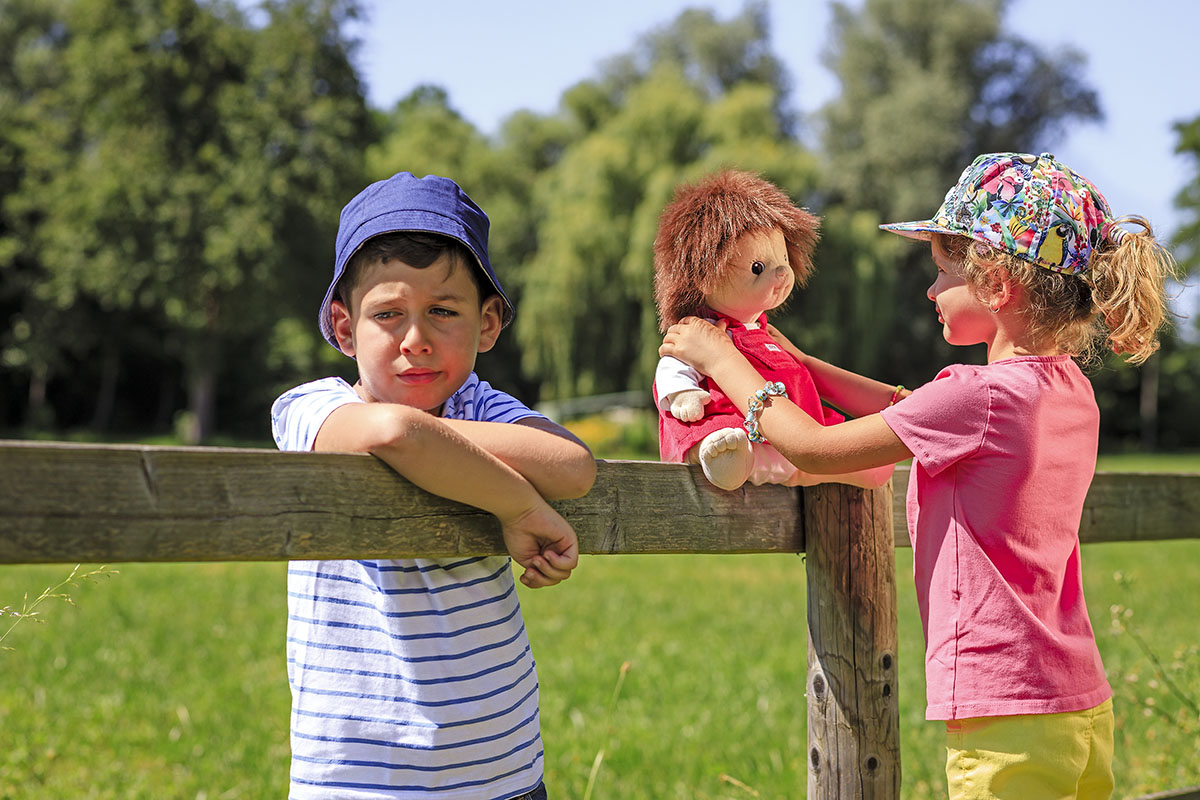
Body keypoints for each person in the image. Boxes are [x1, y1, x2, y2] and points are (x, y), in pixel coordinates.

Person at [660, 152, 1176, 799]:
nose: (931, 292)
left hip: (1006, 714)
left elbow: (815, 447)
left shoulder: (976, 398)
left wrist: (726, 363)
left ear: (996, 283)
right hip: (1078, 704)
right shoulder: (1068, 390)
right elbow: (912, 408)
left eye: (941, 274)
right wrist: (798, 361)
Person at [271, 171, 597, 800]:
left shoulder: (479, 406)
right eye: (388, 314)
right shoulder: (313, 408)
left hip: (502, 768)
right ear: (344, 329)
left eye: (443, 312)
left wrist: (456, 456)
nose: (415, 341)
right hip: (363, 779)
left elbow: (572, 465)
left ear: (487, 324)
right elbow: (396, 434)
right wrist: (518, 505)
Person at [652, 169, 892, 490]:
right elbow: (672, 365)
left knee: (870, 462)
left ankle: (781, 463)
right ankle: (724, 456)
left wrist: (800, 362)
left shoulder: (767, 337)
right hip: (730, 426)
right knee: (724, 441)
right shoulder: (698, 334)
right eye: (757, 268)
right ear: (703, 278)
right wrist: (682, 393)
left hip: (796, 437)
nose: (782, 273)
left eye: (783, 259)